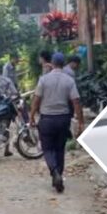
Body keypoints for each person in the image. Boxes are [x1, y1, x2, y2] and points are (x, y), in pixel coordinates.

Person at [30, 52, 83, 193]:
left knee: (47, 149)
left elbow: (36, 99)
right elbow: (76, 102)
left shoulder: (43, 80)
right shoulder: (69, 80)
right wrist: (81, 122)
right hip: (63, 119)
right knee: (60, 149)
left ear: (52, 64)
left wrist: (31, 116)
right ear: (63, 63)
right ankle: (59, 174)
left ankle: (54, 172)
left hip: (46, 119)